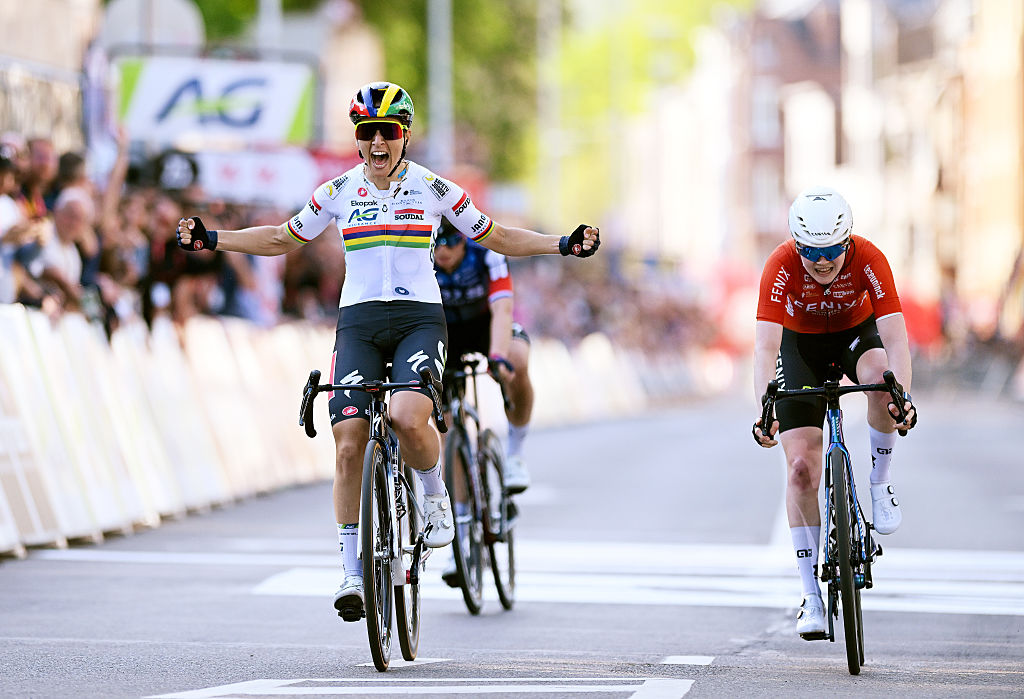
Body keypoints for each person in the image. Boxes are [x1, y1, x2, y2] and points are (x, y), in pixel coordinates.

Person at [175, 81, 600, 622]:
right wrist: (213, 239)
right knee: (348, 442)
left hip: (420, 320)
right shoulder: (337, 191)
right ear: (358, 139)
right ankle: (352, 573)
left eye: (388, 132)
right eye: (368, 132)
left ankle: (433, 493)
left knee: (405, 414)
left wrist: (562, 243)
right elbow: (283, 239)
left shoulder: (434, 188)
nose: (378, 142)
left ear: (404, 137)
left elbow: (496, 237)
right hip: (358, 324)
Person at [751, 186, 917, 640]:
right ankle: (810, 596)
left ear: (847, 241)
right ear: (796, 243)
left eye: (831, 251)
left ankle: (880, 483)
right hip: (799, 346)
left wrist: (902, 395)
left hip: (854, 338)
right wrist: (765, 406)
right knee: (801, 468)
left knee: (883, 379)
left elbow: (896, 337)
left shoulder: (869, 258)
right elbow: (765, 346)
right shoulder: (780, 264)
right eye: (810, 251)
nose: (821, 262)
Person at [433, 218, 534, 493]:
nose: (443, 250)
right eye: (436, 241)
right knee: (448, 430)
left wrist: (498, 356)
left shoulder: (486, 251)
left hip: (485, 324)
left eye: (451, 241)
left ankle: (515, 452)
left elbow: (502, 309)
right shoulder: (420, 255)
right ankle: (462, 517)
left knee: (517, 358)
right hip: (446, 331)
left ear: (463, 240)